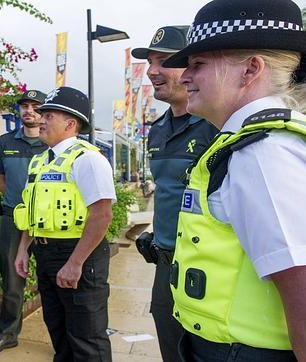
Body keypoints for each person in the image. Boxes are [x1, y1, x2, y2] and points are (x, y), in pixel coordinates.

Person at [160, 0, 306, 360]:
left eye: (197, 64)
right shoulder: (284, 140)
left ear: (250, 70)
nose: (184, 77)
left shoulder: (266, 155)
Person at [131, 25, 218, 361]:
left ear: (194, 66)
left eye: (164, 61)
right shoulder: (158, 131)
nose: (152, 71)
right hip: (166, 263)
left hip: (206, 267)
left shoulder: (217, 126)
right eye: (150, 62)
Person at [14, 87, 116, 361]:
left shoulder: (88, 159)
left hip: (79, 252)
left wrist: (74, 263)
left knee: (87, 338)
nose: (40, 118)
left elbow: (102, 215)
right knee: (59, 331)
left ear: (71, 124)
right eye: (40, 113)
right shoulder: (40, 162)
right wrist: (24, 249)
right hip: (46, 253)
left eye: (48, 114)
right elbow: (30, 210)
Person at [0, 90, 48, 355]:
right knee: (11, 280)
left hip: (47, 222)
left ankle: (65, 337)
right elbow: (0, 178)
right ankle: (8, 334)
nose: (29, 111)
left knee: (53, 279)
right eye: (24, 106)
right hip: (13, 219)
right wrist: (18, 204)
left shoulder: (52, 143)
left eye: (35, 106)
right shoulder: (6, 142)